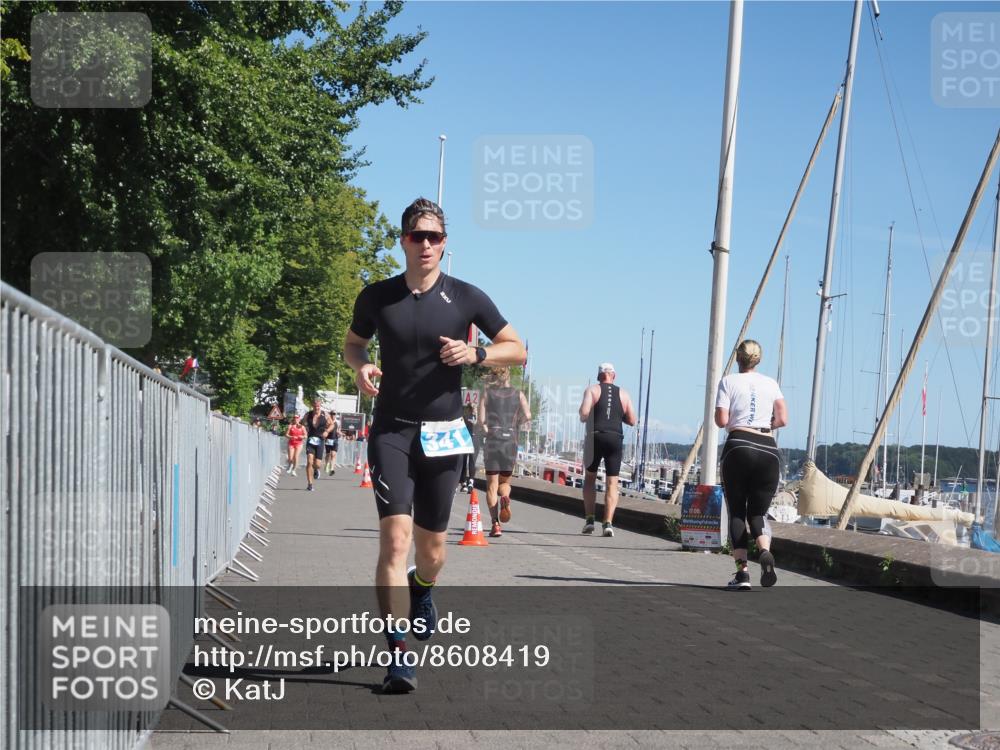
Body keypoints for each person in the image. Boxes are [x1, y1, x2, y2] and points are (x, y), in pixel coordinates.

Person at [344, 197, 525, 693]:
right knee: (394, 542)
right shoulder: (377, 296)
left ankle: (422, 588)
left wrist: (478, 351)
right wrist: (360, 366)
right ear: (403, 240)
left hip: (445, 434)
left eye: (435, 237)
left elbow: (518, 348)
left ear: (445, 244)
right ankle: (399, 654)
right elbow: (353, 342)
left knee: (432, 552)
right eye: (417, 236)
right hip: (392, 431)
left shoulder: (467, 297)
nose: (426, 244)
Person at [714, 339, 788, 590]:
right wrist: (766, 424)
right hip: (768, 448)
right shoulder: (771, 383)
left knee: (737, 511)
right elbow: (783, 418)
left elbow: (722, 419)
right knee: (757, 513)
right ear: (759, 359)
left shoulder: (728, 381)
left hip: (739, 445)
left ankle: (742, 573)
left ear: (738, 358)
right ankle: (765, 550)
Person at [578, 363, 637, 537]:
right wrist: (618, 416)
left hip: (595, 437)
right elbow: (633, 420)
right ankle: (608, 523)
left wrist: (584, 414)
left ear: (599, 376)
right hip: (615, 438)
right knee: (612, 483)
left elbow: (584, 413)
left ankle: (590, 519)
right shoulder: (624, 394)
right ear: (614, 376)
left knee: (590, 478)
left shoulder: (592, 390)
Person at [478, 367, 531, 537]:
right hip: (511, 442)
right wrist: (517, 424)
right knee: (505, 483)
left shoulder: (487, 393)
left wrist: (488, 431)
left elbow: (481, 420)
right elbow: (528, 415)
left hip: (493, 441)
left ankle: (495, 524)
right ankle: (505, 497)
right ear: (508, 375)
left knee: (492, 485)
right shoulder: (519, 394)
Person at [304, 399, 333, 491]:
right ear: (313, 406)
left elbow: (332, 424)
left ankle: (316, 470)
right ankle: (310, 484)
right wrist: (304, 428)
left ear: (320, 406)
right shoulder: (308, 414)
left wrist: (327, 431)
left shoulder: (325, 414)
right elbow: (302, 423)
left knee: (317, 464)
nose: (317, 408)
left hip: (320, 441)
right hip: (310, 440)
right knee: (309, 461)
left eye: (318, 406)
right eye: (315, 406)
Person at [458, 404, 477, 492]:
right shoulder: (466, 417)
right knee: (465, 460)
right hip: (466, 440)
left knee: (471, 461)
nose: (474, 409)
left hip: (473, 440)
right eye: (473, 408)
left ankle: (470, 481)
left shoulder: (476, 417)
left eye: (475, 408)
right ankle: (464, 481)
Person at [324, 410, 340, 476]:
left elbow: (338, 430)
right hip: (328, 439)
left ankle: (332, 468)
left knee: (333, 454)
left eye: (334, 414)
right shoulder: (327, 421)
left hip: (335, 439)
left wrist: (340, 433)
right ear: (330, 414)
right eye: (332, 414)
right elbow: (324, 429)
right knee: (328, 454)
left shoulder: (338, 422)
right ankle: (327, 464)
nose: (333, 415)